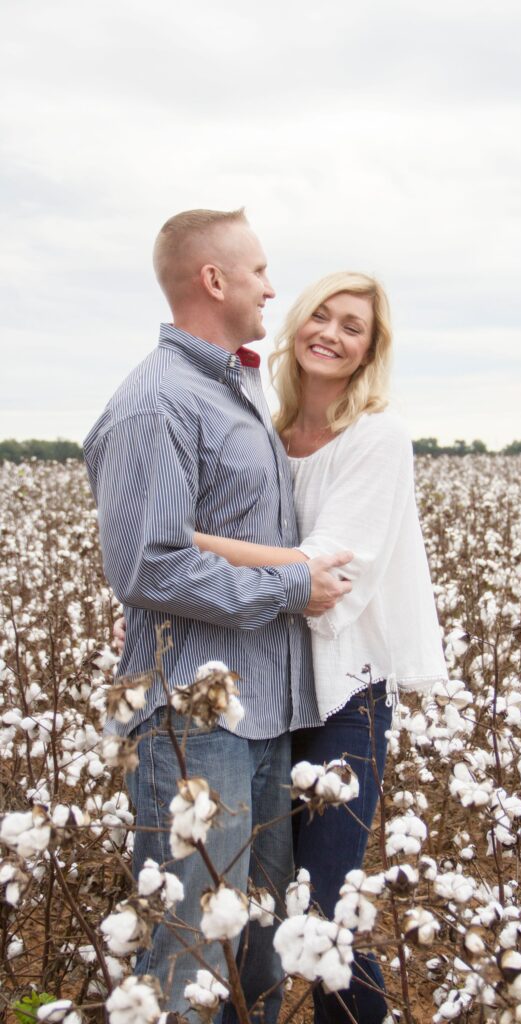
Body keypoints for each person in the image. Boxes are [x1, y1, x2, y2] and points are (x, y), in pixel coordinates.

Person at [83, 209, 352, 1023]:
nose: (274, 287)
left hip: (259, 719)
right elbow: (148, 564)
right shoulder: (157, 403)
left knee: (257, 957)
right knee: (192, 958)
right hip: (191, 728)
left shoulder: (233, 389)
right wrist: (287, 591)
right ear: (214, 280)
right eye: (261, 270)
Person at [194, 271, 448, 1024]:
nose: (331, 335)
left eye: (353, 328)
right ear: (296, 324)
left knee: (326, 903)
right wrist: (164, 597)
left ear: (370, 351)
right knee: (259, 904)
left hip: (345, 696)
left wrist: (178, 551)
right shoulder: (265, 437)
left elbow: (332, 564)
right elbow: (266, 567)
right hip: (264, 695)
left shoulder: (378, 436)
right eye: (322, 317)